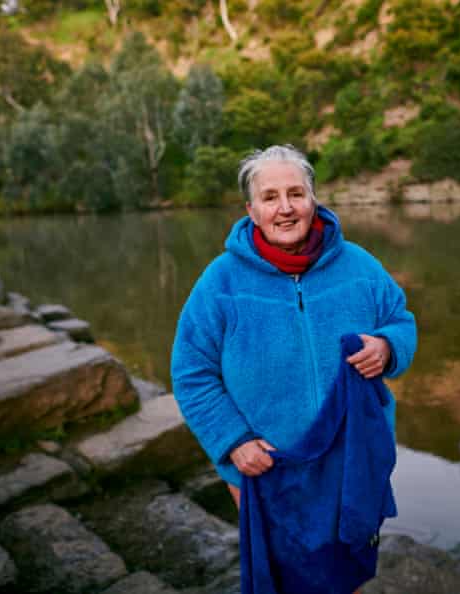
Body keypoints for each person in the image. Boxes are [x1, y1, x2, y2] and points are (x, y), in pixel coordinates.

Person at [171, 144, 416, 592]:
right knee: (281, 577)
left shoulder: (360, 266)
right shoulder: (220, 282)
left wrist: (387, 346)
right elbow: (191, 372)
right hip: (266, 466)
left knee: (349, 570)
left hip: (349, 460)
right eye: (270, 197)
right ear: (251, 209)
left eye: (296, 194)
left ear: (313, 199)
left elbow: (401, 321)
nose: (285, 208)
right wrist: (234, 441)